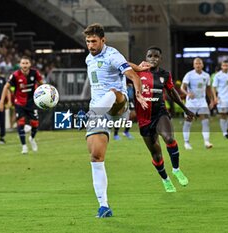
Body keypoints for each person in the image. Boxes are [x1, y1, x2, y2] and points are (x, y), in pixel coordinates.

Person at [80, 23, 147, 218]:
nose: (90, 45)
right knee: (96, 156)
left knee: (113, 92)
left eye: (93, 41)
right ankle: (104, 206)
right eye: (88, 41)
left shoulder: (112, 54)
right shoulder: (88, 59)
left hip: (118, 104)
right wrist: (138, 65)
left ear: (103, 40)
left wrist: (139, 94)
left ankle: (92, 114)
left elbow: (131, 75)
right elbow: (127, 64)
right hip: (98, 107)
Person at [130, 47, 194, 192]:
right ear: (145, 58)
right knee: (156, 155)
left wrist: (185, 109)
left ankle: (176, 169)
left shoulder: (165, 75)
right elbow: (119, 66)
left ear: (160, 58)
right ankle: (165, 179)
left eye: (156, 56)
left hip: (160, 113)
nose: (153, 58)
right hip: (144, 119)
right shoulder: (136, 73)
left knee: (169, 138)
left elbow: (172, 93)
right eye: (150, 56)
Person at [0, 56, 43, 154]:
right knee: (21, 123)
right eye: (23, 63)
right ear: (20, 64)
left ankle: (32, 138)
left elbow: (42, 84)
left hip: (32, 102)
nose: (25, 65)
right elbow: (6, 87)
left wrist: (44, 96)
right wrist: (2, 101)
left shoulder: (35, 73)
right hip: (19, 103)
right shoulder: (15, 75)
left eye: (27, 63)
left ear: (30, 64)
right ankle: (24, 146)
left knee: (35, 124)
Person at [181, 58, 214, 150]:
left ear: (202, 65)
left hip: (202, 101)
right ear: (193, 65)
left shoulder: (206, 75)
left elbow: (208, 89)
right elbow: (182, 87)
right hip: (191, 102)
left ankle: (207, 141)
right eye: (196, 63)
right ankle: (186, 142)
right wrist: (187, 93)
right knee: (188, 121)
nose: (198, 65)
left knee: (205, 121)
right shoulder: (189, 75)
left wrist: (211, 100)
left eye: (199, 63)